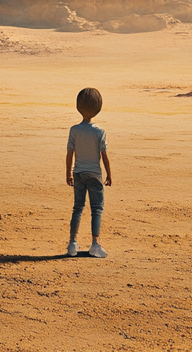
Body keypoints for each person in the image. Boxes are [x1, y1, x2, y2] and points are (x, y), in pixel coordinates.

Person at [65, 86, 112, 258]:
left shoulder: (74, 130)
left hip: (78, 173)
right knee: (96, 209)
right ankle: (95, 244)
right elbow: (104, 156)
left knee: (77, 208)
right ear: (98, 108)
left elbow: (70, 153)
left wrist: (68, 173)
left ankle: (72, 243)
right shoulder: (99, 132)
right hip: (94, 174)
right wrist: (109, 174)